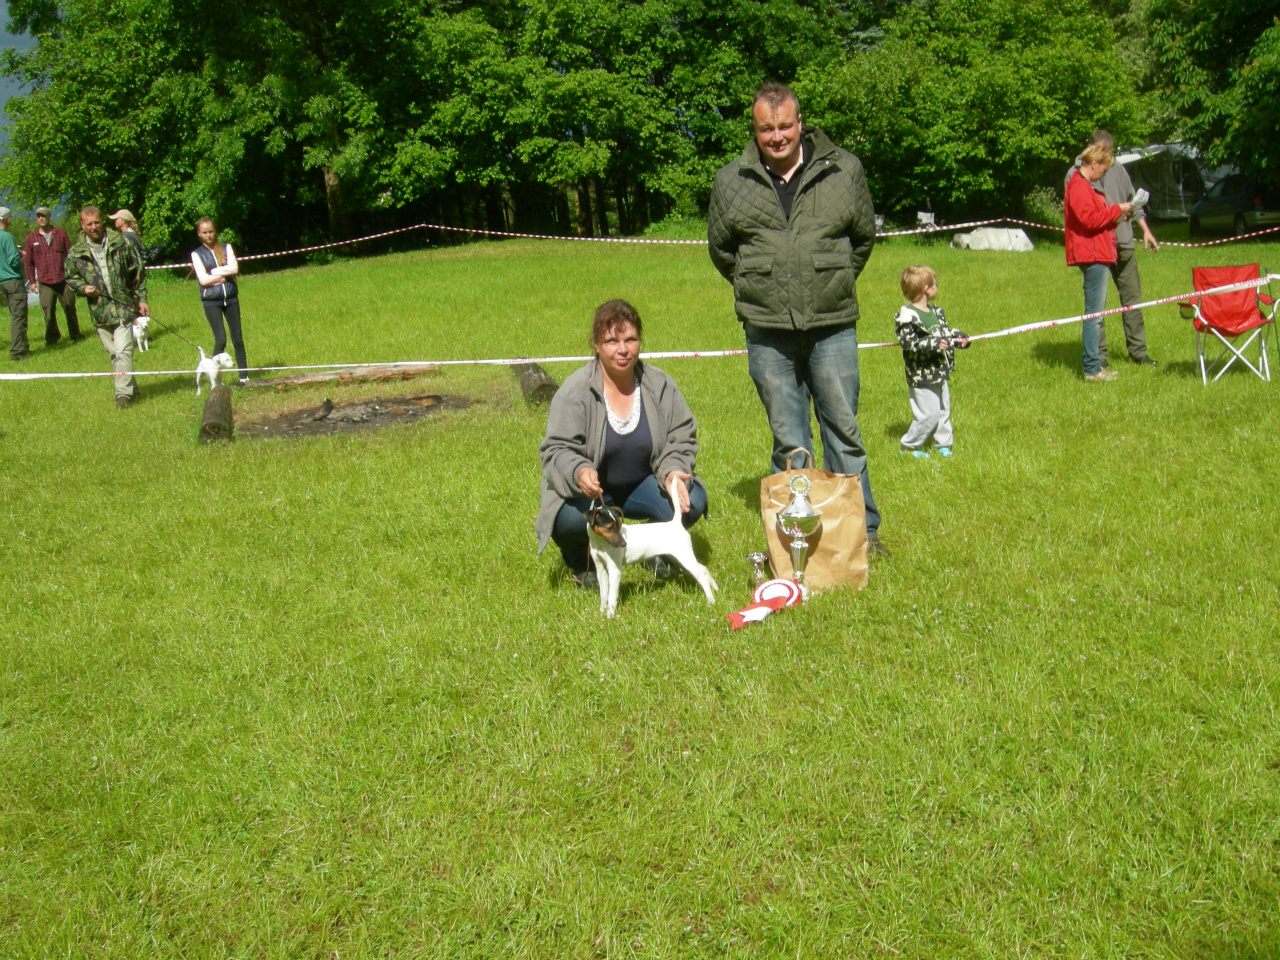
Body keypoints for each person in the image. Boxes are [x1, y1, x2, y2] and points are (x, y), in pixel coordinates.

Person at [707, 82, 886, 556]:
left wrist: (832, 279)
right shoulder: (731, 180)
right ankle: (797, 540)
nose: (778, 136)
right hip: (767, 331)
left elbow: (862, 239)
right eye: (767, 129)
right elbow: (722, 250)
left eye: (785, 125)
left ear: (801, 124)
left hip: (833, 324)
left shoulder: (845, 169)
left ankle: (861, 533)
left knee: (843, 431)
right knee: (789, 438)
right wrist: (758, 285)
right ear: (755, 130)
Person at [536, 299, 709, 589]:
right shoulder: (574, 391)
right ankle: (582, 561)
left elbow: (682, 435)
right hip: (592, 494)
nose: (623, 349)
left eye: (631, 339)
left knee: (691, 501)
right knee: (568, 519)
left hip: (642, 484)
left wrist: (672, 472)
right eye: (612, 341)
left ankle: (651, 550)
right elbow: (555, 450)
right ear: (595, 344)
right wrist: (579, 471)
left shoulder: (660, 384)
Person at [1064, 130, 1159, 367]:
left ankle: (1138, 352)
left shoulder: (1118, 169)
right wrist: (1116, 210)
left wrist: (1145, 230)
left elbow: (1133, 203)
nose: (1110, 160)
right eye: (1106, 154)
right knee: (1098, 308)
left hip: (1123, 243)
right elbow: (1087, 217)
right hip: (1097, 249)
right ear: (1096, 151)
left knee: (1133, 300)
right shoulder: (1075, 177)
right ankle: (1099, 359)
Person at [63, 205, 150, 407]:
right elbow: (70, 278)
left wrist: (142, 298)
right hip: (100, 311)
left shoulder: (121, 242)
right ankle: (132, 388)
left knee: (123, 351)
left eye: (97, 222)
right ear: (82, 225)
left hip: (123, 307)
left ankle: (122, 395)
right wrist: (84, 289)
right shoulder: (76, 252)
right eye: (89, 224)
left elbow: (137, 270)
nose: (94, 227)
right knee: (114, 354)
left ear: (102, 222)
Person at [1064, 142, 1134, 383]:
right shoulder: (1079, 186)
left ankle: (1095, 366)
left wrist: (1117, 216)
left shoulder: (1087, 186)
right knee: (1094, 315)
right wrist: (1116, 210)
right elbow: (1089, 220)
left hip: (1100, 253)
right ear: (1093, 164)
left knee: (1097, 314)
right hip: (1093, 256)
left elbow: (1098, 220)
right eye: (1103, 169)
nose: (1104, 174)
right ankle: (1092, 368)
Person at [894, 265, 970, 458]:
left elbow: (943, 335)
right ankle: (910, 445)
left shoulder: (935, 312)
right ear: (926, 289)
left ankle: (943, 443)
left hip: (939, 369)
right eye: (935, 283)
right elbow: (908, 342)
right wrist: (933, 343)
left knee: (943, 410)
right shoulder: (907, 317)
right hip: (922, 374)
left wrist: (958, 339)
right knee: (929, 414)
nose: (937, 286)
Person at [190, 218, 248, 384]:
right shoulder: (196, 254)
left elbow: (234, 268)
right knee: (220, 340)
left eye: (211, 231)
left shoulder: (226, 247)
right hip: (211, 301)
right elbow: (203, 280)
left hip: (230, 298)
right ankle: (214, 378)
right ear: (199, 234)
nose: (208, 235)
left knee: (237, 338)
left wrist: (214, 271)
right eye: (204, 232)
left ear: (215, 231)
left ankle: (244, 377)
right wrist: (223, 276)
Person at [23, 205, 82, 347]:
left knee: (69, 307)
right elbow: (28, 263)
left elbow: (70, 256)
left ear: (50, 217)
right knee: (48, 312)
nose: (41, 218)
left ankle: (76, 335)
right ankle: (52, 338)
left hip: (63, 279)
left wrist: (74, 275)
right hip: (44, 281)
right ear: (36, 219)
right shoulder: (31, 238)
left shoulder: (60, 234)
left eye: (44, 215)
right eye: (38, 216)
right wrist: (31, 281)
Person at [0, 207, 29, 361]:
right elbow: (14, 261)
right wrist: (23, 257)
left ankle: (24, 346)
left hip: (2, 282)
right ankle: (18, 353)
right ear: (7, 220)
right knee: (19, 317)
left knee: (14, 315)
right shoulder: (7, 237)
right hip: (13, 280)